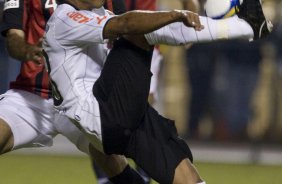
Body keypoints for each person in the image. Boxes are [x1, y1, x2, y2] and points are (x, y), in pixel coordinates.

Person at [43, 0, 271, 183]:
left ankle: (247, 26)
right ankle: (246, 26)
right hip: (102, 114)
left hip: (121, 118)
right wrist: (174, 14)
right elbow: (128, 25)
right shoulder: (63, 17)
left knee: (187, 178)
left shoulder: (99, 12)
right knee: (140, 30)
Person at [0, 0, 147, 183]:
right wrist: (27, 50)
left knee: (112, 157)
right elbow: (13, 37)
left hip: (82, 96)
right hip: (32, 96)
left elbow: (124, 33)